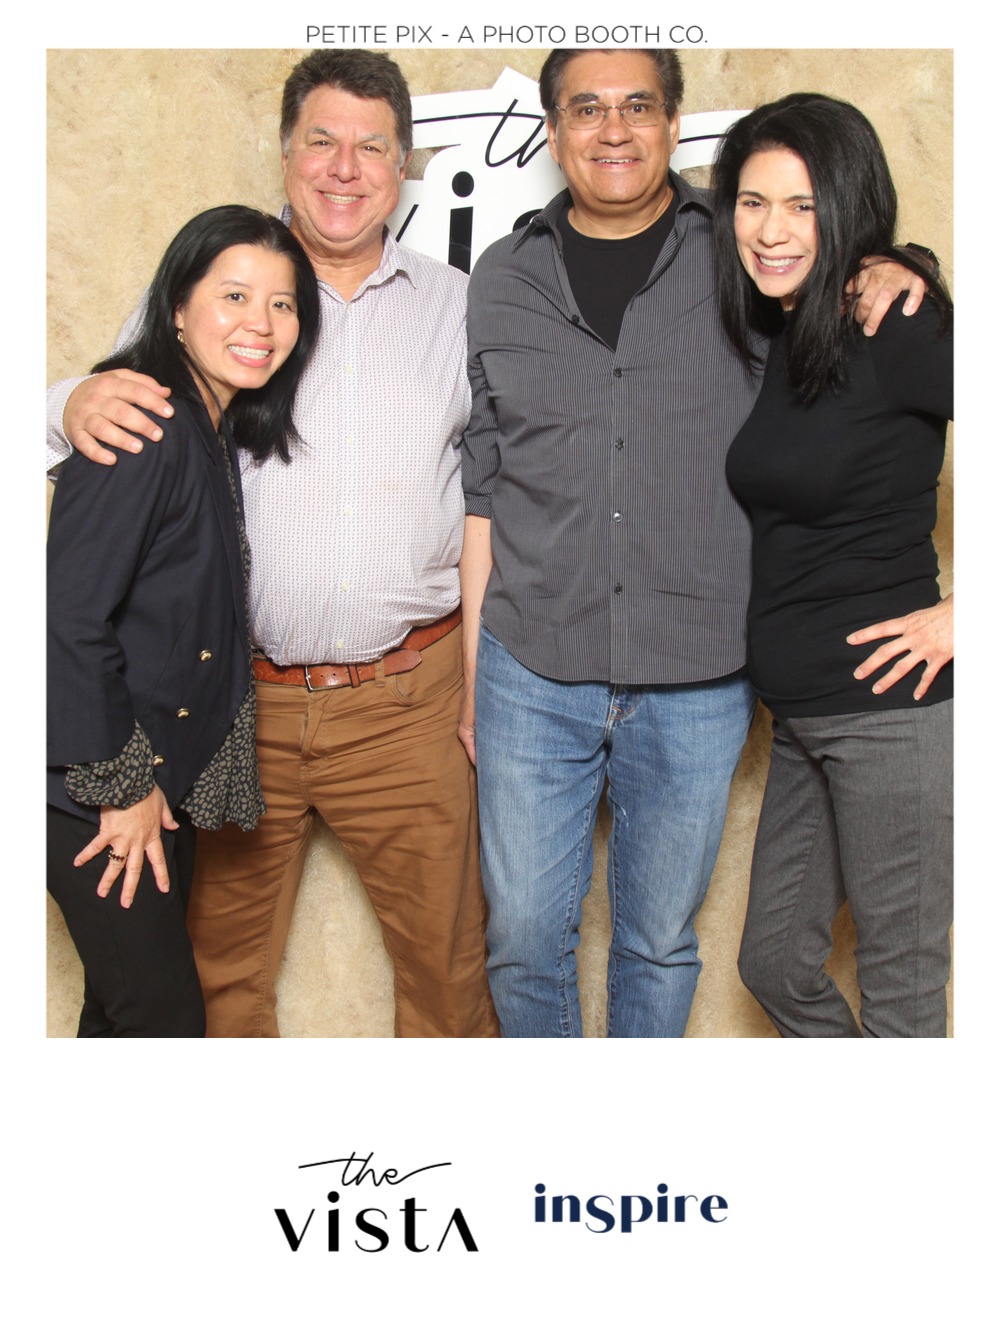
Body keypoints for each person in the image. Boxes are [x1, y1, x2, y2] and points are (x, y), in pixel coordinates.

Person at [459, 47, 930, 1038]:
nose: (614, 129)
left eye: (638, 105)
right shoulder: (500, 276)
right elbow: (485, 489)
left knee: (659, 942)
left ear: (674, 125)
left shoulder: (741, 251)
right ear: (552, 131)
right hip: (530, 665)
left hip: (698, 671)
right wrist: (473, 685)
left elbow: (839, 283)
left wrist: (899, 264)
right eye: (587, 108)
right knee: (522, 938)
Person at [47, 50, 497, 1039]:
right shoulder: (220, 280)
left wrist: (480, 681)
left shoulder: (462, 308)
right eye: (321, 141)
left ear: (403, 165)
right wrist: (65, 402)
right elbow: (128, 395)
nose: (344, 168)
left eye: (371, 148)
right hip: (227, 707)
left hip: (406, 703)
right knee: (210, 980)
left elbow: (505, 493)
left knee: (449, 973)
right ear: (286, 151)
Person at [713, 93, 953, 1037]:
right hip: (805, 718)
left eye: (802, 206)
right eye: (752, 202)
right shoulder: (790, 328)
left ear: (847, 206)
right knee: (774, 963)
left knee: (902, 992)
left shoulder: (896, 324)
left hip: (891, 716)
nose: (771, 231)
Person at [47, 205, 320, 1037]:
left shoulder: (208, 425)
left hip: (155, 777)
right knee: (161, 1023)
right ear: (175, 307)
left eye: (281, 304)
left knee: (121, 1015)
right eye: (234, 296)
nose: (260, 323)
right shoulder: (145, 424)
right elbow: (65, 618)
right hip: (95, 785)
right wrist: (123, 789)